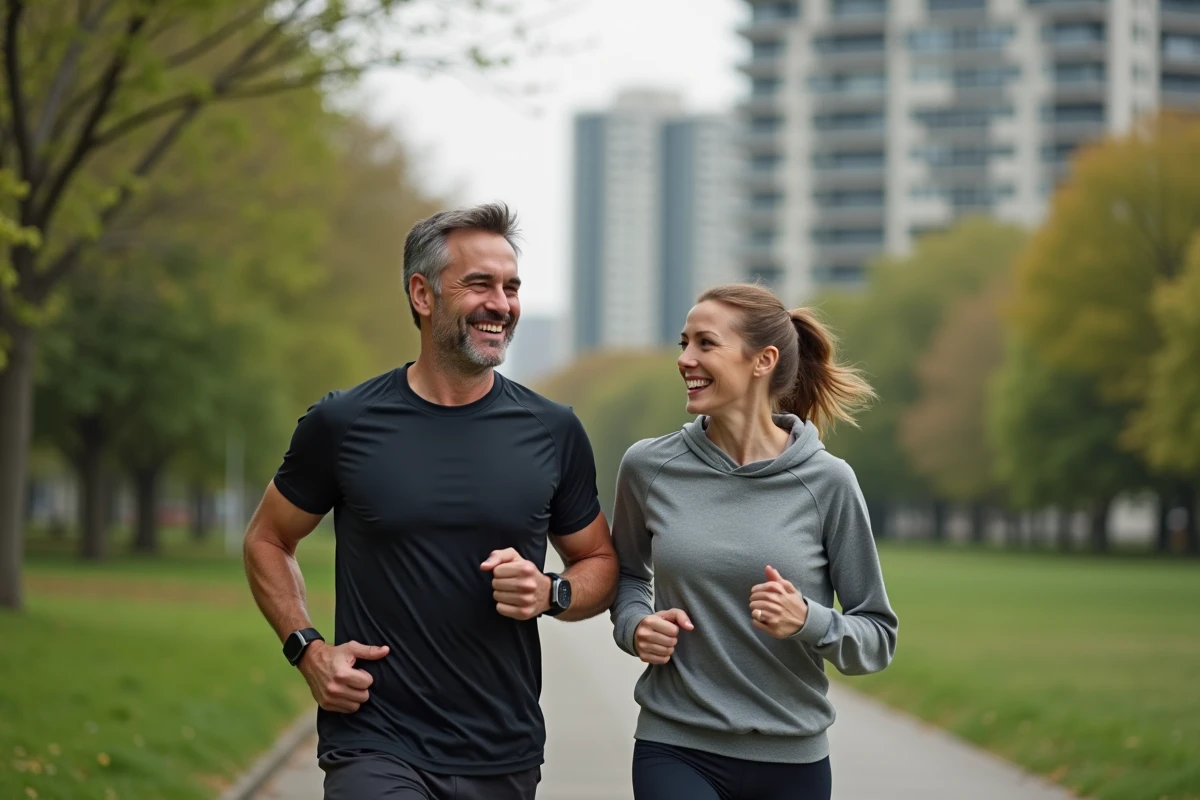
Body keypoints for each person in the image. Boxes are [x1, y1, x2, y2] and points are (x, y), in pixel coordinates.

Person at [243, 203, 618, 800]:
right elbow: (267, 538)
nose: (502, 304)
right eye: (480, 284)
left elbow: (599, 560)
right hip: (373, 739)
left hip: (502, 749)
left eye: (511, 287)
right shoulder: (344, 422)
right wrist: (307, 649)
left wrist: (552, 592)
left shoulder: (553, 430)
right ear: (422, 294)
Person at [609, 283, 899, 800]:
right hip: (675, 745)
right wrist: (635, 626)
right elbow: (628, 574)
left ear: (763, 360)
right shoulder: (649, 467)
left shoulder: (828, 482)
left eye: (705, 343)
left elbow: (876, 638)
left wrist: (808, 620)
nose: (685, 359)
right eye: (684, 343)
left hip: (792, 758)